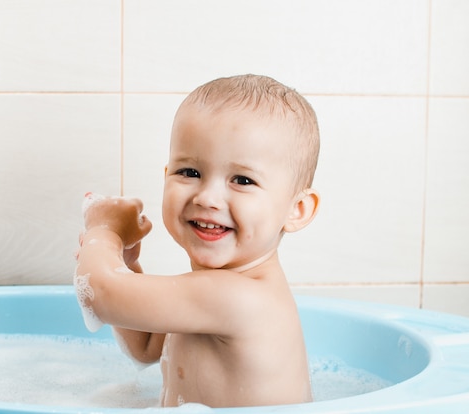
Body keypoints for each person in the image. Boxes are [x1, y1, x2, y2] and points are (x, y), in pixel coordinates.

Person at [74, 74, 320, 408]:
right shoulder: (209, 289)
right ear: (166, 176)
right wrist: (128, 266)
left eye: (242, 180)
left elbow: (100, 294)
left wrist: (104, 230)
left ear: (297, 209)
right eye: (189, 172)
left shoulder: (240, 298)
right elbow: (146, 347)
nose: (208, 197)